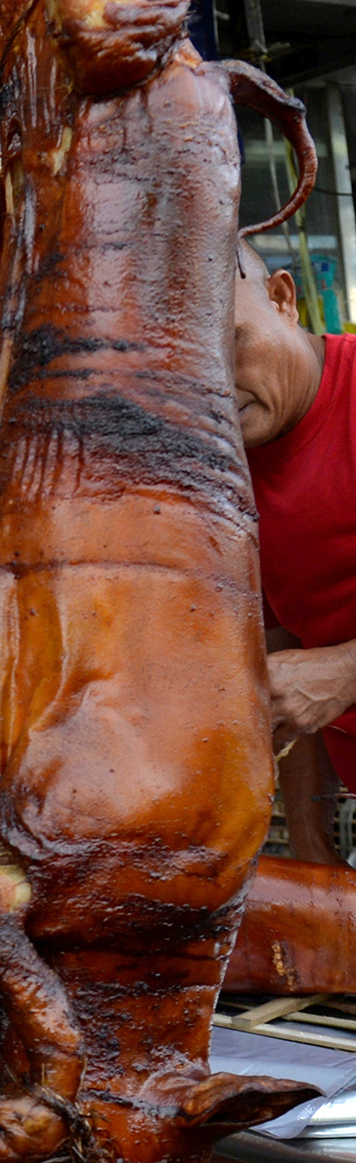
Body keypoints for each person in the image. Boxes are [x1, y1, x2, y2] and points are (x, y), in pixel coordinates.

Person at [234, 243, 356, 864]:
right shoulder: (228, 468)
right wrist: (311, 839)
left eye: (232, 344)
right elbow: (287, 650)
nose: (218, 383)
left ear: (283, 299)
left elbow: (321, 675)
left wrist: (344, 671)